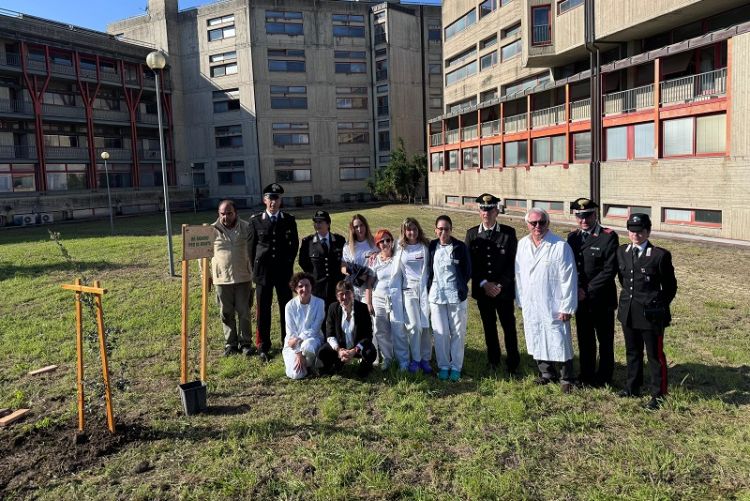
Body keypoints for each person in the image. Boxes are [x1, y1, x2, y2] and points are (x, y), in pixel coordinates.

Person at [616, 214, 677, 410]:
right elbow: (623, 281)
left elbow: (670, 287)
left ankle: (658, 393)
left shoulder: (659, 255)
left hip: (651, 315)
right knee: (632, 352)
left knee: (654, 355)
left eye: (640, 231)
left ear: (648, 231)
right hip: (628, 311)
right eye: (632, 231)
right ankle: (632, 386)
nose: (636, 235)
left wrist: (658, 305)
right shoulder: (622, 252)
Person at [515, 208, 578, 393]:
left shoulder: (559, 245)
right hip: (531, 301)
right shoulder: (522, 245)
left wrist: (567, 306)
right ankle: (546, 373)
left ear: (547, 223)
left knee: (560, 339)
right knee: (536, 336)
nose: (537, 226)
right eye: (533, 223)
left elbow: (568, 278)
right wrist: (521, 299)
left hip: (554, 303)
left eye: (541, 222)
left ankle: (567, 377)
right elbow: (518, 274)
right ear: (527, 224)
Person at [465, 193, 521, 374]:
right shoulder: (472, 234)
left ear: (497, 211)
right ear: (479, 211)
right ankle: (493, 359)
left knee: (508, 326)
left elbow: (514, 262)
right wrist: (483, 283)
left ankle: (513, 361)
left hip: (503, 291)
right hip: (483, 291)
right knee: (489, 327)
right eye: (483, 209)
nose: (486, 212)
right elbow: (469, 263)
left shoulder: (508, 233)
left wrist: (500, 285)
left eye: (490, 209)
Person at [566, 197, 619, 387]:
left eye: (587, 215)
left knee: (605, 340)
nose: (584, 220)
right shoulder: (572, 237)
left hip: (601, 298)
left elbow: (609, 270)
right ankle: (586, 375)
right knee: (585, 339)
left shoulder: (608, 236)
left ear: (595, 214)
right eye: (580, 216)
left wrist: (586, 291)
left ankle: (604, 377)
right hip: (581, 299)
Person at [249, 183, 299, 362]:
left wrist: (287, 264)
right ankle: (263, 345)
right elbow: (251, 249)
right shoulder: (255, 221)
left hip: (283, 272)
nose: (273, 202)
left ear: (280, 200)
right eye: (270, 198)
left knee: (286, 307)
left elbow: (294, 245)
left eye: (276, 198)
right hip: (263, 273)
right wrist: (256, 269)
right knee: (263, 309)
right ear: (264, 200)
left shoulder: (288, 220)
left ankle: (288, 341)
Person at [427, 215, 471, 381]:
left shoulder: (459, 247)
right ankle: (444, 366)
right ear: (435, 230)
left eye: (446, 228)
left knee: (457, 333)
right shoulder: (432, 246)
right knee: (440, 333)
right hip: (436, 296)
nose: (443, 231)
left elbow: (467, 271)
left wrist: (459, 286)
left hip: (455, 296)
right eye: (440, 228)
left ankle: (456, 367)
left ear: (451, 230)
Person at [209, 200, 254, 357]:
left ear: (235, 213)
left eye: (229, 213)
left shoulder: (246, 227)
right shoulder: (211, 230)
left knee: (244, 312)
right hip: (222, 279)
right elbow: (204, 256)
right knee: (226, 313)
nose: (226, 217)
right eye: (222, 214)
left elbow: (253, 250)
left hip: (243, 277)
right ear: (218, 214)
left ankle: (246, 343)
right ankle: (231, 344)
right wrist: (206, 277)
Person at [317, 280, 377, 377]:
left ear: (353, 293)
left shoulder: (363, 308)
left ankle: (364, 369)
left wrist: (354, 351)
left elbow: (368, 335)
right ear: (337, 296)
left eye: (347, 293)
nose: (345, 297)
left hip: (357, 347)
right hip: (341, 347)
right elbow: (330, 334)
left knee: (370, 352)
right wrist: (339, 350)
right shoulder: (333, 308)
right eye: (341, 294)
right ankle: (335, 364)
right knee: (323, 352)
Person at [398, 217, 433, 374]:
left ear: (418, 229)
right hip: (408, 291)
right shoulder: (400, 248)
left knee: (426, 326)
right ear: (404, 231)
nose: (411, 232)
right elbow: (382, 252)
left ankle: (425, 359)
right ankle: (416, 359)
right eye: (408, 229)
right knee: (414, 326)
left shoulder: (425, 246)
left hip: (424, 291)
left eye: (414, 228)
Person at [365, 229, 403, 370]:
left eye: (388, 240)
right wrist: (369, 303)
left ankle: (401, 358)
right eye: (381, 241)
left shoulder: (398, 256)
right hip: (378, 298)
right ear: (378, 245)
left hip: (395, 299)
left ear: (392, 242)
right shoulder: (375, 260)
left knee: (398, 329)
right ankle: (387, 358)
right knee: (381, 330)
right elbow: (369, 283)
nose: (385, 243)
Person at [282, 272, 325, 380]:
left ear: (312, 287)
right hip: (293, 344)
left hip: (312, 340)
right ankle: (309, 366)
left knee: (308, 346)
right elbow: (291, 333)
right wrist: (298, 353)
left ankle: (311, 364)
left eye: (307, 285)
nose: (304, 289)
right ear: (295, 288)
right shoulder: (289, 306)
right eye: (300, 286)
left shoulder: (320, 303)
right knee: (296, 374)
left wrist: (300, 338)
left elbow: (315, 329)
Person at [299, 210, 345, 308]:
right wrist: (314, 276)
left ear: (328, 223)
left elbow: (344, 261)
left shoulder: (339, 240)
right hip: (318, 288)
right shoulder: (308, 242)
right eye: (315, 222)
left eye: (320, 222)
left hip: (336, 286)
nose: (317, 224)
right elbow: (303, 262)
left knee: (336, 316)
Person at [341, 214, 377, 302]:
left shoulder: (374, 243)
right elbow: (343, 268)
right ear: (352, 229)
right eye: (356, 227)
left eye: (361, 225)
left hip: (369, 287)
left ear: (366, 226)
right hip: (353, 287)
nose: (359, 229)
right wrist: (357, 275)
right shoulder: (347, 246)